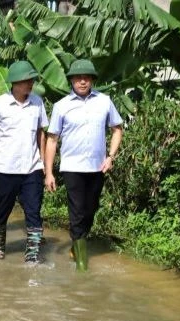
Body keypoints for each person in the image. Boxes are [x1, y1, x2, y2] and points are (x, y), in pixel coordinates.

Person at [45, 59, 123, 271]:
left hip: (97, 166)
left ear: (92, 80)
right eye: (78, 78)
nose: (82, 81)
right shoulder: (62, 106)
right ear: (71, 80)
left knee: (91, 209)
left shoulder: (104, 101)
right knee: (77, 211)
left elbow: (117, 128)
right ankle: (81, 264)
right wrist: (48, 172)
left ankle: (76, 244)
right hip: (72, 167)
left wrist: (111, 156)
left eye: (86, 77)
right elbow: (52, 139)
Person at [0, 61, 49, 263]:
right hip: (4, 168)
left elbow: (41, 134)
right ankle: (0, 243)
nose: (30, 84)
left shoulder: (37, 103)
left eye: (31, 80)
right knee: (1, 211)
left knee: (33, 211)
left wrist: (45, 162)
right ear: (15, 83)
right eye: (26, 81)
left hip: (32, 168)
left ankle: (32, 254)